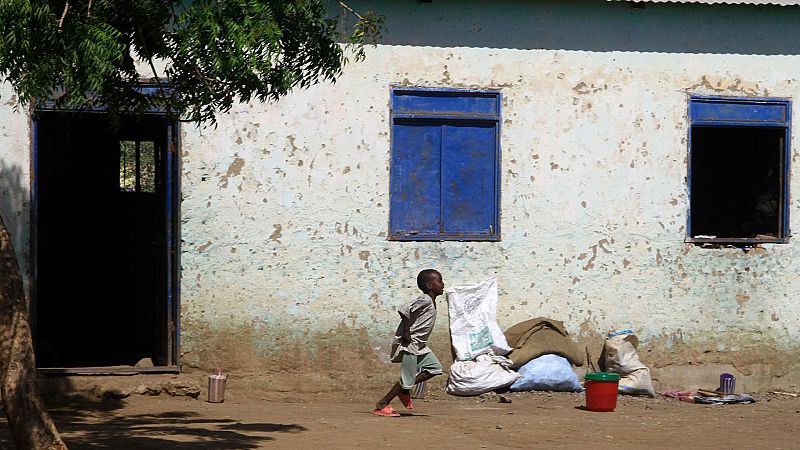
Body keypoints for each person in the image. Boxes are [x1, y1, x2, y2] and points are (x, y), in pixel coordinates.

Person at [373, 269, 445, 417]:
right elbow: (404, 309)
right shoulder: (425, 299)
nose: (443, 284)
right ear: (429, 285)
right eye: (439, 281)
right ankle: (382, 404)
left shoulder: (430, 302)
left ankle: (405, 390)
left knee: (435, 368)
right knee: (407, 378)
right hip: (411, 345)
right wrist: (406, 332)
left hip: (420, 346)